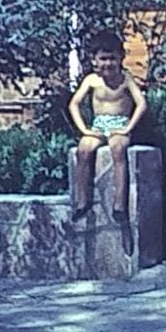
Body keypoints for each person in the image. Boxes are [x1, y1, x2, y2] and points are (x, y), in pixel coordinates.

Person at [67, 31, 147, 224]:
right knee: (83, 150)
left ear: (121, 58)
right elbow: (73, 104)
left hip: (119, 124)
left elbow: (142, 103)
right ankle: (82, 200)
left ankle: (119, 203)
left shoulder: (125, 80)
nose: (108, 63)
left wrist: (128, 127)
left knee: (118, 148)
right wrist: (84, 130)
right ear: (94, 60)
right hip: (98, 125)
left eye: (112, 58)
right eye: (103, 59)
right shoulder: (91, 80)